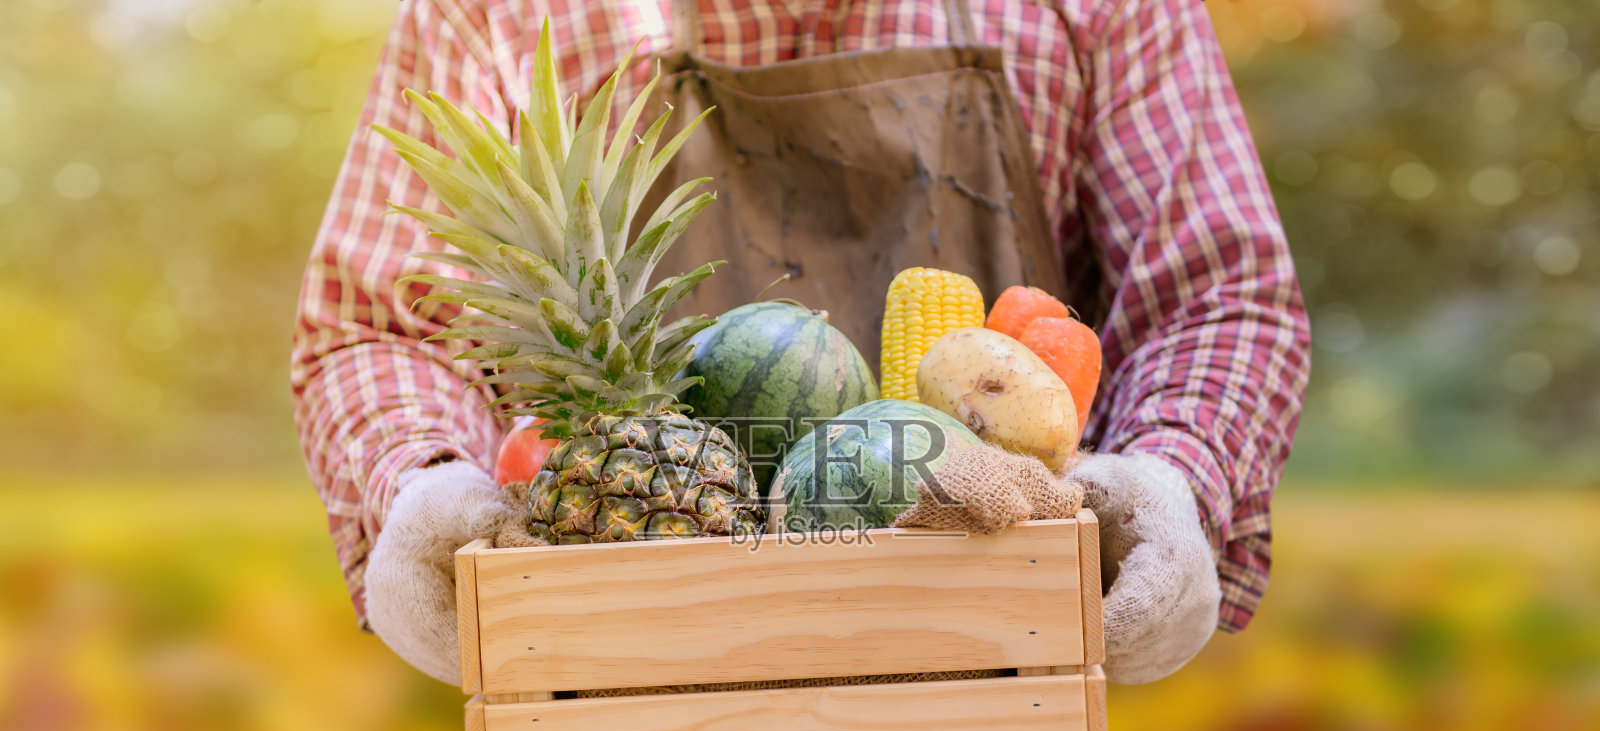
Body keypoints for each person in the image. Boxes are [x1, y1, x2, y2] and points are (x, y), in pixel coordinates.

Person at [292, 0, 1310, 687]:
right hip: (620, 695)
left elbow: (1215, 294)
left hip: (998, 699)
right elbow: (380, 321)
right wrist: (420, 486)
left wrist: (1172, 478)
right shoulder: (503, 16)